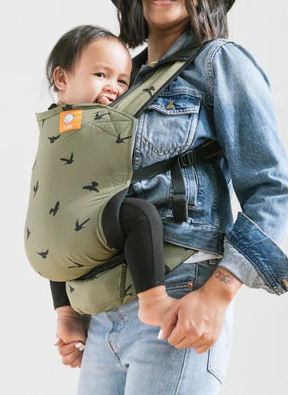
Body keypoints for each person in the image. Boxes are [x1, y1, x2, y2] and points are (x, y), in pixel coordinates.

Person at [54, 0, 288, 392]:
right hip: (105, 312)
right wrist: (69, 304)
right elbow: (80, 193)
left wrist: (220, 292)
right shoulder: (121, 81)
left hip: (179, 298)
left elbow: (272, 189)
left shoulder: (220, 62)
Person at [33, 24, 180, 329]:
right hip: (72, 231)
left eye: (123, 81)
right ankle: (153, 300)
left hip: (50, 244)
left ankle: (66, 313)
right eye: (101, 75)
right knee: (139, 216)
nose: (114, 87)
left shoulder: (55, 121)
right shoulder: (81, 122)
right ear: (62, 78)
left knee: (61, 233)